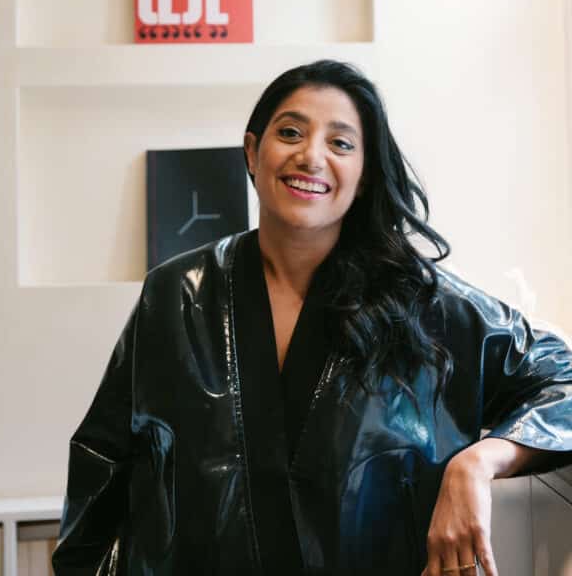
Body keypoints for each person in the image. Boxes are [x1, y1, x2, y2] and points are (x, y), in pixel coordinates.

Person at [52, 60, 572, 576]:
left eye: (340, 143)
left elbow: (563, 383)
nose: (311, 156)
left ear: (364, 176)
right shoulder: (175, 294)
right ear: (253, 152)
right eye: (290, 132)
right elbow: (102, 465)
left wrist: (478, 463)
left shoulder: (424, 306)